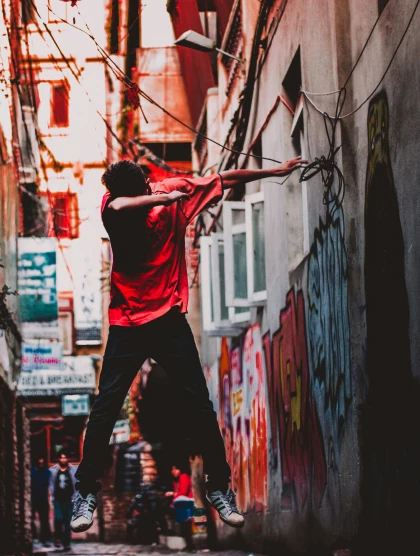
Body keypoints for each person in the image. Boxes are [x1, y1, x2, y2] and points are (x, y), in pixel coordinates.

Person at [70, 157, 306, 534]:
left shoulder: (171, 194)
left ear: (146, 185)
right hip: (127, 322)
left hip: (167, 320)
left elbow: (224, 178)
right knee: (105, 408)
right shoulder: (116, 208)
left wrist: (274, 171)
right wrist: (163, 200)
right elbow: (121, 205)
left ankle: (219, 488)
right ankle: (85, 494)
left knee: (198, 404)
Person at [50, 453, 77, 551]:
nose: (63, 459)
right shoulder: (53, 471)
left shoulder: (73, 470)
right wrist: (51, 496)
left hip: (69, 500)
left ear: (67, 459)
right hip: (57, 499)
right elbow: (51, 484)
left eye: (65, 458)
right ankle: (57, 538)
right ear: (59, 459)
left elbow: (76, 484)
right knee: (58, 518)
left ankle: (67, 543)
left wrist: (75, 496)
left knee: (68, 522)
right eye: (61, 458)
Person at [30, 456, 52, 545]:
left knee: (44, 519)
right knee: (31, 518)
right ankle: (33, 536)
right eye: (39, 463)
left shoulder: (47, 473)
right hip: (34, 498)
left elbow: (50, 486)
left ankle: (44, 538)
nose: (40, 464)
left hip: (43, 498)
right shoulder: (32, 472)